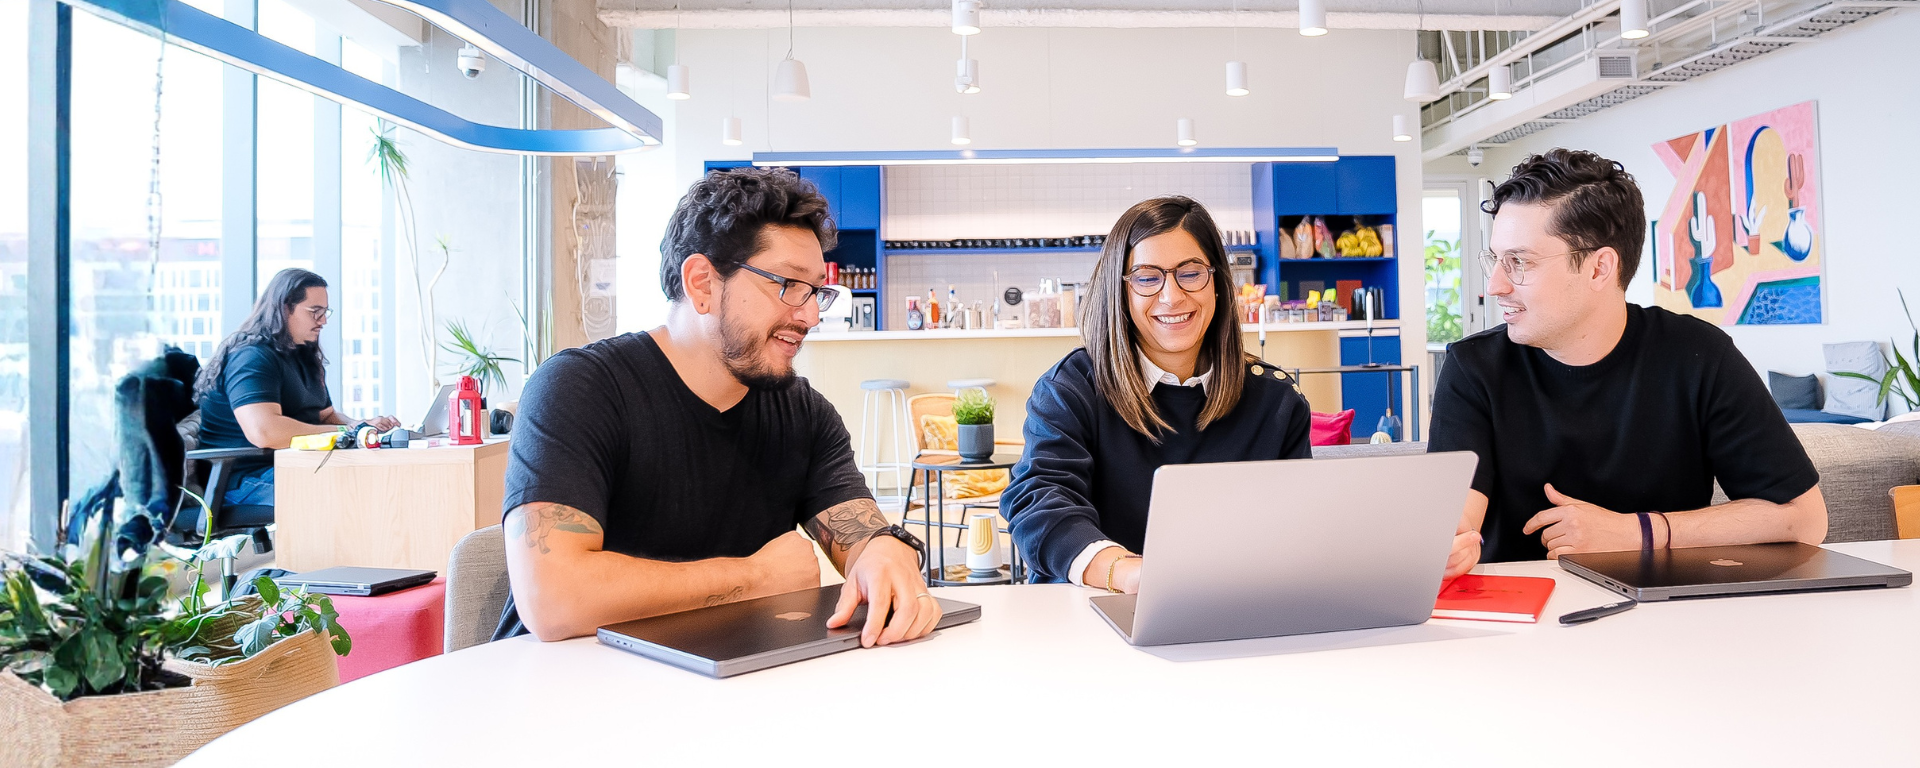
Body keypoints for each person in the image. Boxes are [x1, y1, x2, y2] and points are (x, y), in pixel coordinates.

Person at [494, 167, 937, 646]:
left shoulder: (804, 414)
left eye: (816, 292)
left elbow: (860, 535)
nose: (809, 315)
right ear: (702, 283)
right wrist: (754, 579)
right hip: (563, 693)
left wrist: (884, 553)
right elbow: (553, 599)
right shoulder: (579, 390)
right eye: (788, 284)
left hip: (721, 688)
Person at [1430, 148, 1826, 577]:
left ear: (1600, 269)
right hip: (1518, 622)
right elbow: (1456, 512)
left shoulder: (1698, 356)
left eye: (1520, 262)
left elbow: (1805, 519)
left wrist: (1639, 532)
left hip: (1665, 616)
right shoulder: (1473, 368)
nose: (1495, 286)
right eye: (1495, 259)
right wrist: (1445, 541)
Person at [1001, 196, 1313, 593]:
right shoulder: (1072, 389)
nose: (1172, 296)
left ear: (1217, 282)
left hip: (1235, 613)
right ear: (1122, 292)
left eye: (1191, 272)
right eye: (1148, 278)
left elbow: (1298, 528)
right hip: (1090, 618)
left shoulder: (1276, 400)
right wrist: (1127, 572)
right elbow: (1040, 501)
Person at [194, 268, 400, 509]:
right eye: (315, 312)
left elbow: (326, 416)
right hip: (245, 480)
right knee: (357, 498)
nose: (323, 321)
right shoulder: (251, 357)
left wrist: (360, 427)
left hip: (289, 466)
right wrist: (346, 432)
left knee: (385, 482)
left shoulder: (303, 353)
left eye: (325, 312)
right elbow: (265, 432)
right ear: (285, 307)